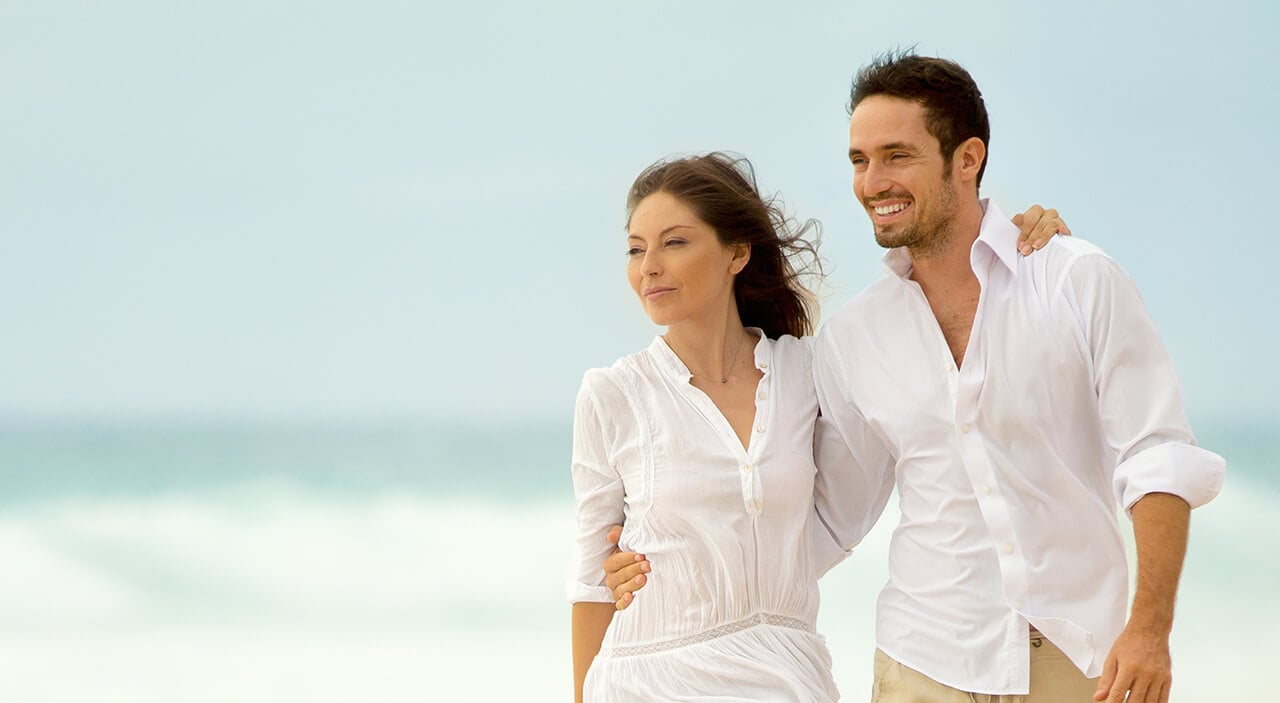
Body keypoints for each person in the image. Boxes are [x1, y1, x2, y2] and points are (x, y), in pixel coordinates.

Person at [605, 53, 1226, 703]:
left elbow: (1157, 458)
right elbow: (829, 518)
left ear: (968, 158)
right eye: (858, 160)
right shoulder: (857, 336)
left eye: (897, 155)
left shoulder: (1077, 281)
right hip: (921, 665)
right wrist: (662, 564)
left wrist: (1149, 630)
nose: (873, 181)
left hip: (1080, 661)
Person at [569, 151, 1068, 702]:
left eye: (675, 242)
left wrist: (1005, 246)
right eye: (636, 249)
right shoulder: (612, 394)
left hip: (787, 677)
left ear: (737, 253)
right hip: (647, 680)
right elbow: (592, 579)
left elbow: (930, 388)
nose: (649, 266)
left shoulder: (809, 370)